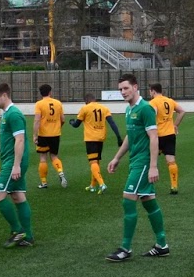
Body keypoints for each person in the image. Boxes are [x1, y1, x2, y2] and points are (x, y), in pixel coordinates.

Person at [105, 73, 168, 261]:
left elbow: (154, 136)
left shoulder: (146, 109)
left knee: (128, 200)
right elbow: (129, 137)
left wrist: (153, 166)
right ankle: (162, 244)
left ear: (135, 87)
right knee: (148, 201)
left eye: (125, 88)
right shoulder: (128, 110)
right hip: (135, 161)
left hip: (143, 162)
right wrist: (117, 158)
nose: (123, 92)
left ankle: (125, 248)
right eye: (120, 89)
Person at [0, 82, 34, 247]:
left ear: (4, 95)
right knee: (18, 196)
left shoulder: (14, 114)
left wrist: (16, 166)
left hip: (14, 161)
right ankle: (28, 236)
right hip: (11, 159)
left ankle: (17, 230)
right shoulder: (6, 114)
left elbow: (20, 140)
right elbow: (8, 141)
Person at [72, 92, 122, 193]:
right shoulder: (104, 108)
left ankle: (102, 184)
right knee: (96, 162)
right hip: (100, 138)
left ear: (86, 101)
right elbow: (112, 123)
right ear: (95, 99)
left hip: (91, 138)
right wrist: (118, 137)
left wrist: (71, 122)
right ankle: (92, 185)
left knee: (93, 162)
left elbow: (76, 125)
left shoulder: (85, 108)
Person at [145, 83, 185, 194]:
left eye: (150, 91)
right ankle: (174, 186)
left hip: (157, 135)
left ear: (153, 91)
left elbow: (151, 116)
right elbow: (182, 111)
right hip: (170, 134)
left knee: (150, 159)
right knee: (171, 161)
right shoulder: (169, 101)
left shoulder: (153, 102)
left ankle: (147, 186)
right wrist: (175, 125)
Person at [31, 84, 66, 190]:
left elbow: (37, 120)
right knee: (54, 156)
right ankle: (60, 173)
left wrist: (34, 135)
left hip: (43, 135)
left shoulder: (39, 104)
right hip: (55, 134)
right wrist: (57, 127)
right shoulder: (58, 103)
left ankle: (44, 182)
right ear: (50, 92)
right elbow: (63, 119)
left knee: (43, 158)